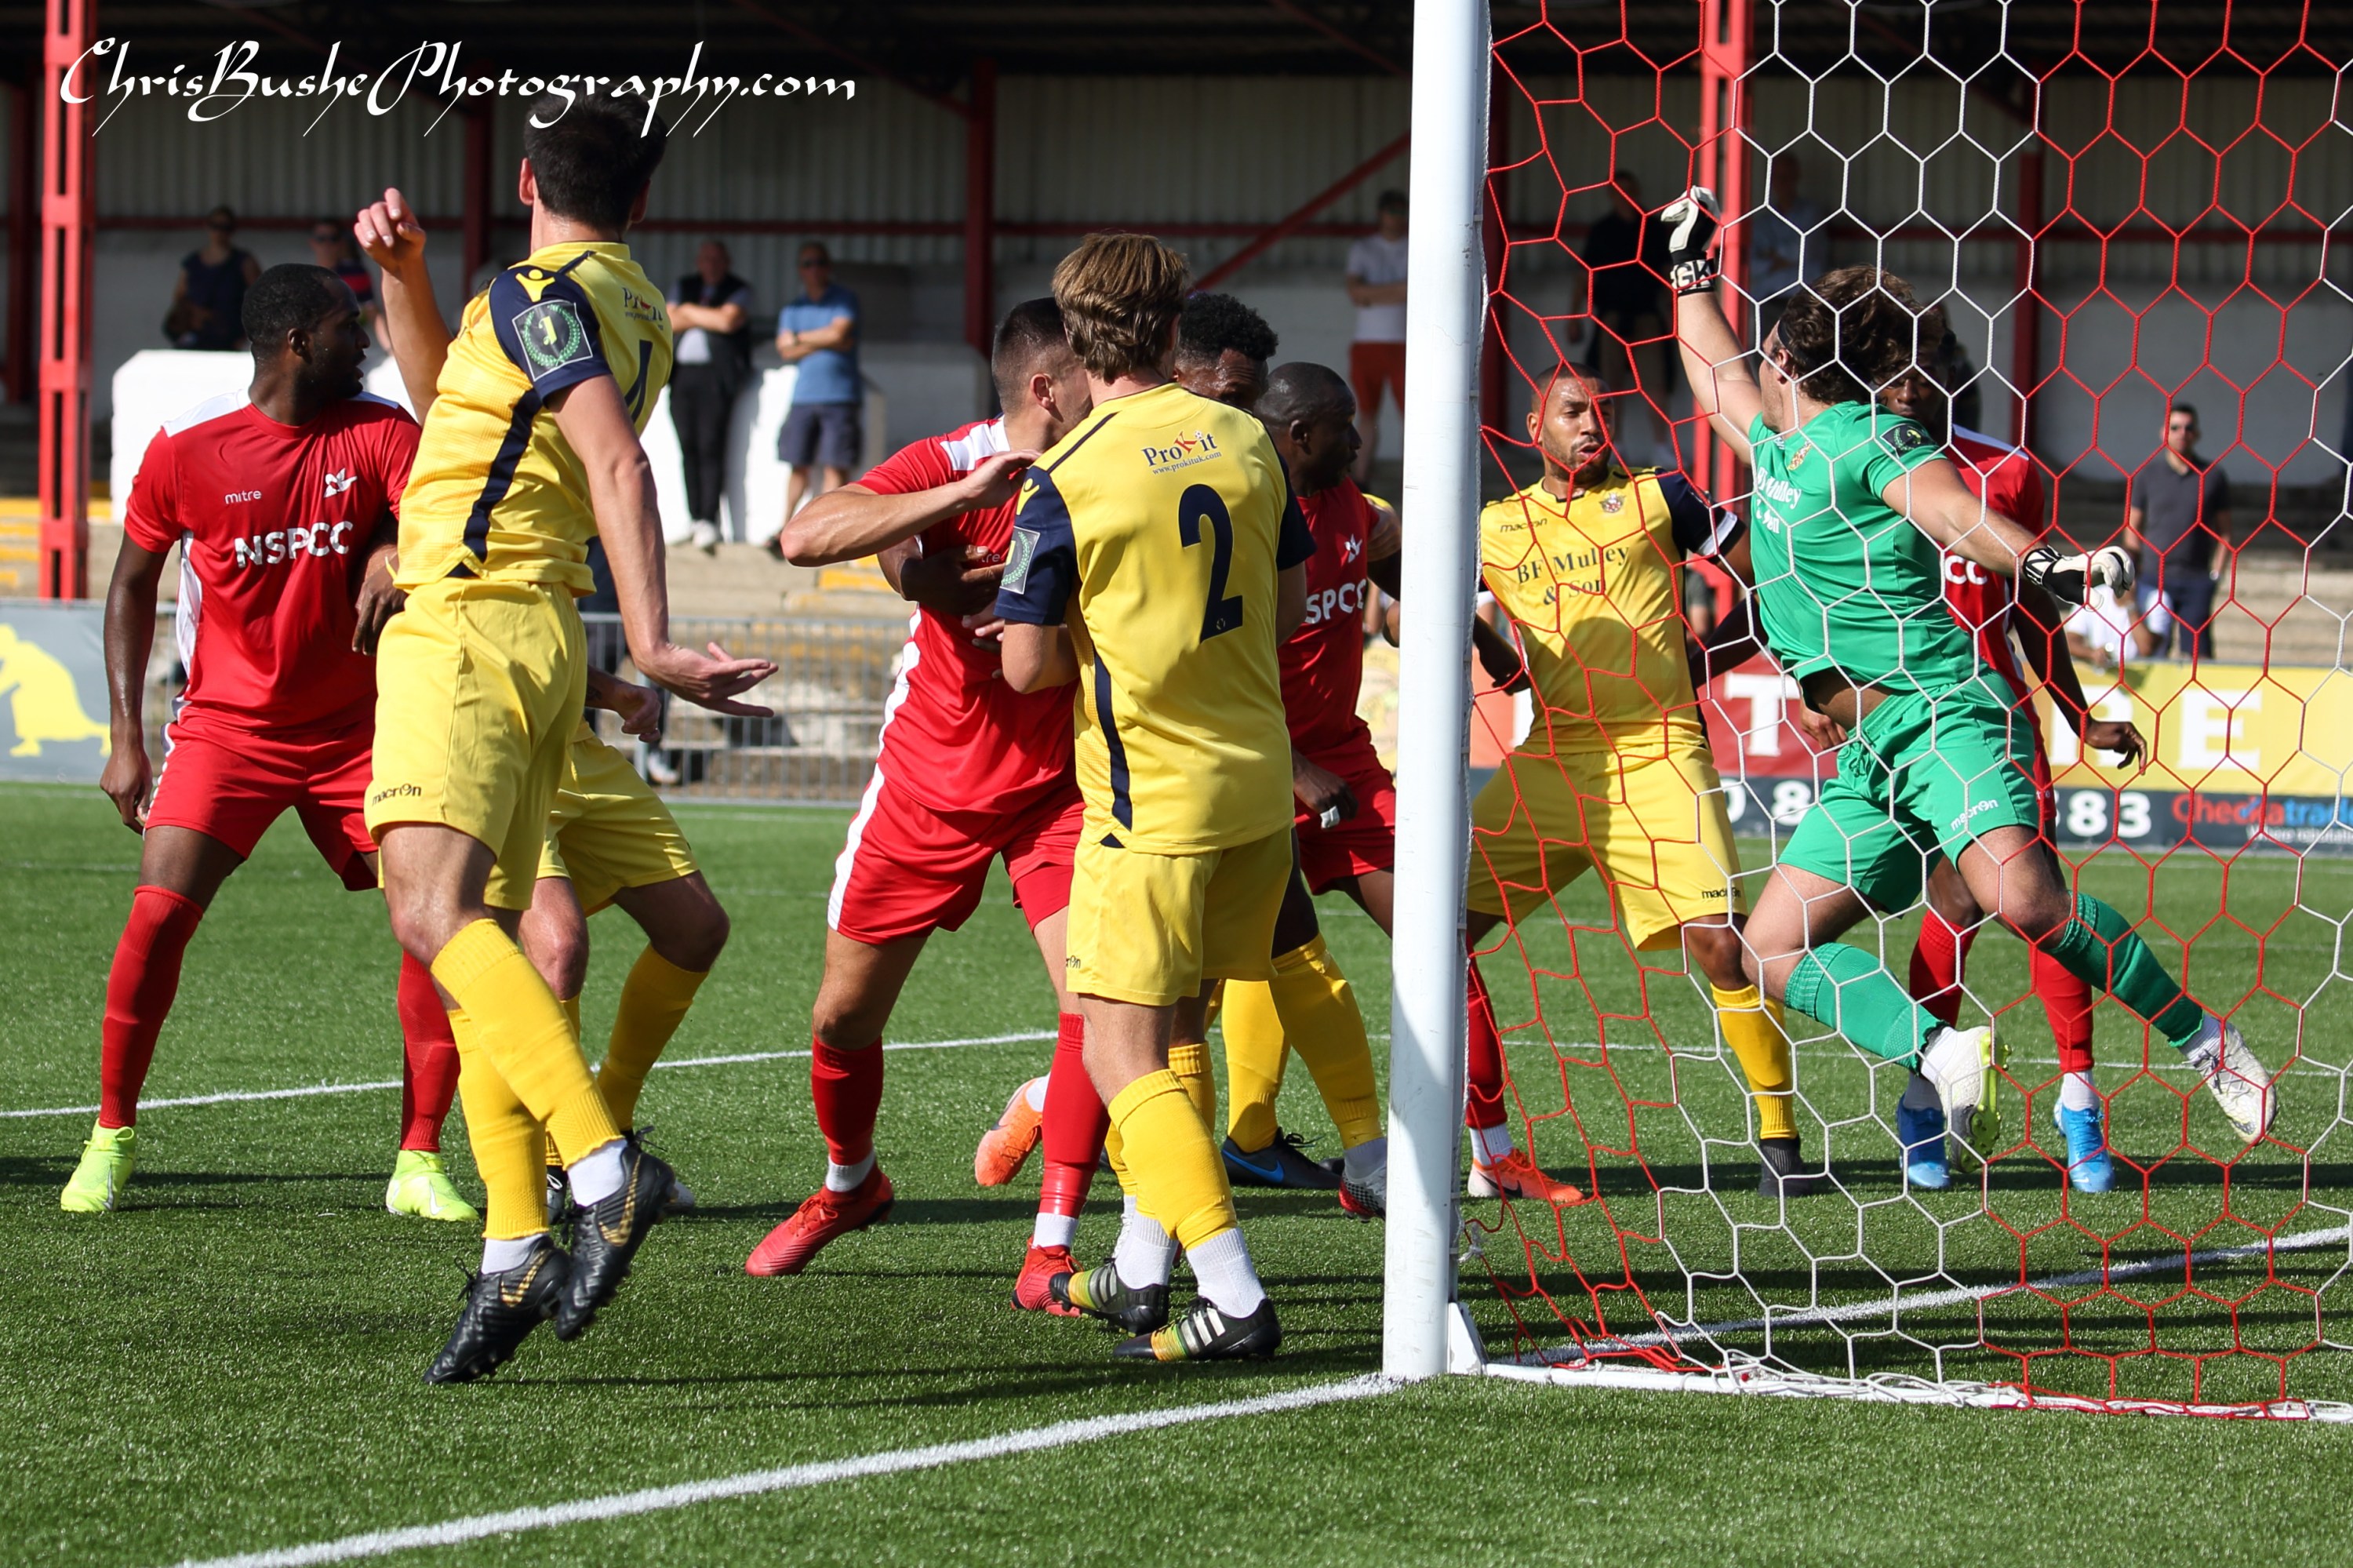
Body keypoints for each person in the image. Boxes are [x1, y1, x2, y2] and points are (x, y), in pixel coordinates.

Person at [1661, 187, 2275, 1178]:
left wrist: (2048, 566)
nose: (1744, 370)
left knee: (2029, 904)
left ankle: (2209, 1044)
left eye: (1758, 356)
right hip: (1867, 757)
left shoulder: (1874, 441)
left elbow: (1955, 515)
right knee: (1769, 949)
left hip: (1944, 715)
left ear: (1782, 362)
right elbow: (1704, 365)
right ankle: (1946, 1054)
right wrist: (1686, 265)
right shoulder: (1773, 446)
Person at [353, 95, 773, 1385]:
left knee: (432, 914)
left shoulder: (539, 289)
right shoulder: (624, 301)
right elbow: (458, 405)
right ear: (641, 205)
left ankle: (601, 1165)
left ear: (528, 176)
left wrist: (650, 643)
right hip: (528, 632)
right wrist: (408, 280)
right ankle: (511, 1243)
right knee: (473, 933)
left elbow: (614, 464)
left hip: (474, 621)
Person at [60, 264, 471, 1224]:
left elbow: (436, 524)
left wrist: (390, 550)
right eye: (346, 325)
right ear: (296, 344)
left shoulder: (381, 432)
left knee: (431, 920)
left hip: (361, 729)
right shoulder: (189, 447)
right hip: (226, 729)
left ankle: (418, 1157)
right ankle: (111, 1134)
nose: (364, 338)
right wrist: (126, 737)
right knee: (156, 918)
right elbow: (129, 586)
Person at [746, 299, 1101, 1317]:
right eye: (1095, 370)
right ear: (1047, 386)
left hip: (1061, 786)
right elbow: (805, 532)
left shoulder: (1116, 460)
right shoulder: (962, 457)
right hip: (932, 782)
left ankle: (1051, 1243)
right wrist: (946, 511)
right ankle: (851, 1183)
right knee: (843, 1014)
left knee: (1095, 1010)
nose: (1115, 384)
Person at [997, 231, 1314, 1362]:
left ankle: (1231, 1291)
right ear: (1177, 326)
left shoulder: (1067, 476)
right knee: (1179, 1022)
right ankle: (1138, 1267)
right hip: (1257, 788)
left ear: (1077, 345)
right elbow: (1286, 606)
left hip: (1153, 807)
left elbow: (1029, 669)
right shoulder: (1249, 438)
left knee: (1121, 1051)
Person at [1467, 364, 1819, 1199]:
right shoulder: (1494, 525)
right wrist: (1502, 664)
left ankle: (1779, 1135)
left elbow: (1772, 578)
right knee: (1433, 933)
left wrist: (1709, 659)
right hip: (1551, 759)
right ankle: (1490, 1150)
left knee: (1719, 942)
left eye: (1604, 412)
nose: (1592, 426)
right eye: (1574, 412)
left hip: (1659, 749)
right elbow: (1438, 613)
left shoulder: (1664, 496)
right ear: (1533, 425)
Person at [1880, 349, 2151, 1193]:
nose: (1905, 388)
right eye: (1890, 374)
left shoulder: (2007, 470)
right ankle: (1926, 1096)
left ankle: (2078, 1100)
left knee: (2043, 909)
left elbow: (2035, 609)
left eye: (1918, 371)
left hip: (1995, 720)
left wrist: (2079, 716)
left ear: (1951, 380)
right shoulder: (1862, 462)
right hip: (1902, 720)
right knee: (1949, 903)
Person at [515, 671, 733, 1218]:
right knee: (559, 949)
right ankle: (549, 1159)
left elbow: (541, 638)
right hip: (501, 756)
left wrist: (609, 691)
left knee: (696, 927)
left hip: (575, 747)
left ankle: (612, 1124)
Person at [1577, 172, 1675, 466]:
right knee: (1609, 382)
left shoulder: (1653, 227)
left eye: (1631, 190)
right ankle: (1614, 444)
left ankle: (1661, 445)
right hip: (1612, 316)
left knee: (1654, 380)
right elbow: (1584, 272)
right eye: (1620, 192)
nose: (1626, 197)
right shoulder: (1602, 231)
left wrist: (1673, 316)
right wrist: (1575, 315)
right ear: (1611, 195)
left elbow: (1667, 273)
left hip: (1647, 315)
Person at [667, 242, 755, 552]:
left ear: (727, 262)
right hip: (682, 376)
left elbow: (727, 321)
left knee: (710, 444)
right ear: (698, 261)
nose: (711, 264)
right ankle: (694, 518)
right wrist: (703, 315)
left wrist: (689, 310)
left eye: (717, 259)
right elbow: (670, 321)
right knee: (688, 446)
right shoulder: (685, 285)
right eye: (706, 258)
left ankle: (710, 519)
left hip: (716, 379)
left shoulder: (738, 289)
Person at [2125, 403, 2231, 660]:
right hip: (2153, 579)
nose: (2182, 433)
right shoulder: (2146, 475)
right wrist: (2133, 573)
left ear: (2197, 434)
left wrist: (2215, 575)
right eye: (2175, 427)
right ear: (2164, 433)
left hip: (2196, 580)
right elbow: (2132, 527)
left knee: (2199, 656)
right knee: (2151, 652)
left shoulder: (2213, 476)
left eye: (2188, 427)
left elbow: (2225, 532)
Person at [773, 242, 863, 537]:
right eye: (808, 263)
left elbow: (840, 333)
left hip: (840, 396)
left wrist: (799, 340)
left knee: (835, 465)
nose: (814, 269)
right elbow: (784, 351)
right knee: (798, 463)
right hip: (804, 396)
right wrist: (825, 340)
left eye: (819, 262)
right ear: (800, 270)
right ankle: (786, 526)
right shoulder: (793, 308)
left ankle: (826, 528)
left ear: (829, 266)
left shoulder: (844, 299)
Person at [1345, 190, 1409, 485]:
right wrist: (1398, 290)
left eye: (1401, 213)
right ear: (1380, 215)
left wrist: (1372, 294)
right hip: (1367, 343)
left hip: (1405, 344)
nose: (1397, 219)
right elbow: (1355, 293)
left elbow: (1365, 293)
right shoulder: (1363, 248)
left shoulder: (1415, 245)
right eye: (1391, 212)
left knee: (1411, 416)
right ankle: (1360, 479)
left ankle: (1416, 478)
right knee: (1366, 415)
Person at [1744, 157, 1824, 344]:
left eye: (1788, 177)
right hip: (1768, 300)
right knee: (1765, 352)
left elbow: (1804, 250)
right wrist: (1782, 258)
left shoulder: (1812, 213)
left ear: (1797, 178)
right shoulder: (1763, 221)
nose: (1784, 183)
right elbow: (1752, 264)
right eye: (1779, 177)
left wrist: (1771, 254)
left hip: (1803, 297)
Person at [165, 206, 262, 351]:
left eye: (225, 227)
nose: (219, 232)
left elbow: (261, 298)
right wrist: (195, 315)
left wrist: (245, 336)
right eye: (215, 226)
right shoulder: (193, 263)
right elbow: (179, 297)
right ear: (207, 226)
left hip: (228, 336)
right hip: (196, 335)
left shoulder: (243, 262)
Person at [309, 220, 383, 346]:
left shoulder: (356, 274)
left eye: (333, 238)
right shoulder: (305, 278)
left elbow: (372, 312)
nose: (327, 244)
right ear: (312, 242)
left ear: (341, 243)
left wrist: (390, 350)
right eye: (321, 239)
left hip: (350, 346)